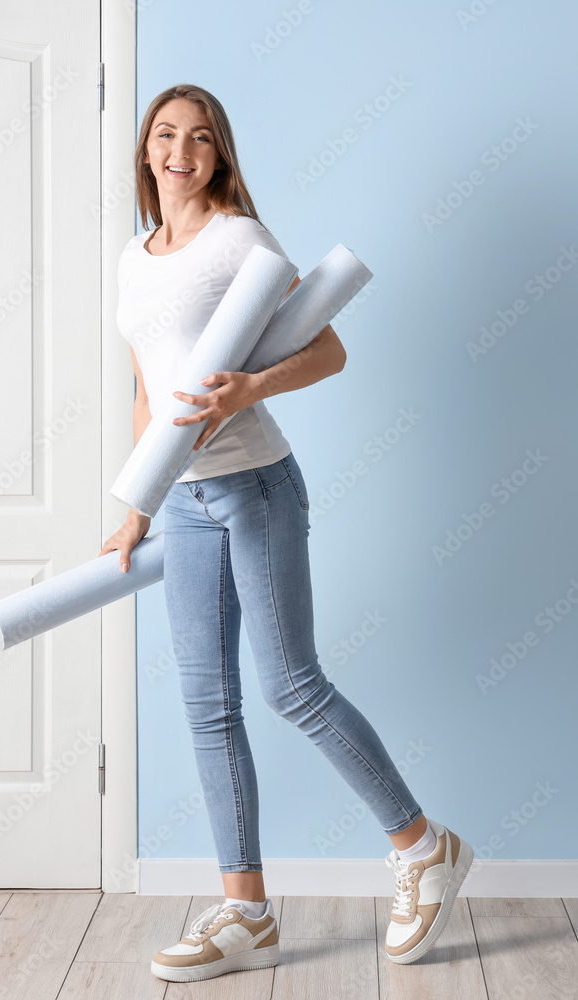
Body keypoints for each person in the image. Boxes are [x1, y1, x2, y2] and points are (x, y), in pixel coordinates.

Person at [99, 83, 473, 983]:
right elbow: (150, 382)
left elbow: (329, 348)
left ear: (219, 153)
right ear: (147, 151)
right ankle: (247, 914)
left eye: (197, 137)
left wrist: (248, 391)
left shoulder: (240, 241)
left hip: (255, 488)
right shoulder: (135, 255)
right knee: (205, 706)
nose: (177, 149)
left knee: (291, 686)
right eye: (163, 134)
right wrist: (138, 501)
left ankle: (423, 848)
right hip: (182, 500)